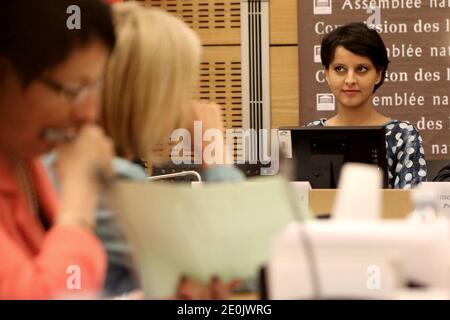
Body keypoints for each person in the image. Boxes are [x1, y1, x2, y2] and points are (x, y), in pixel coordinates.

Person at [44, 3, 244, 298]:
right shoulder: (114, 180)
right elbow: (237, 261)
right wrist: (215, 152)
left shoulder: (59, 158)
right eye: (179, 89)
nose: (183, 103)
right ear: (150, 95)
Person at [0, 0, 116, 299]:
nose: (88, 114)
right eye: (73, 91)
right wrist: (79, 204)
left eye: (94, 87)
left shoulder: (24, 159)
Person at [306, 22, 427, 189]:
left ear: (378, 74)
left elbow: (412, 206)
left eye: (361, 69)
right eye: (339, 69)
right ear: (327, 74)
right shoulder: (311, 134)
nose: (350, 80)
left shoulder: (403, 136)